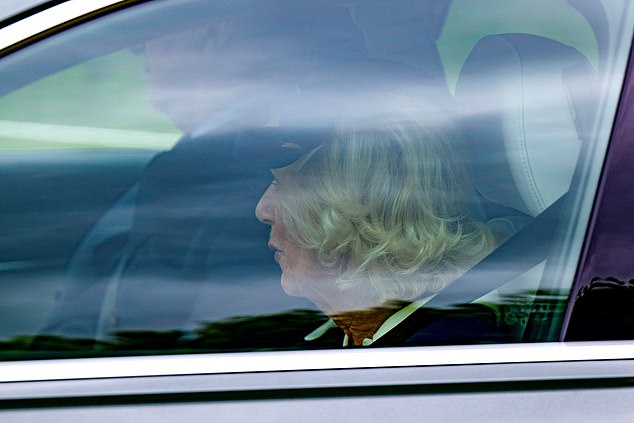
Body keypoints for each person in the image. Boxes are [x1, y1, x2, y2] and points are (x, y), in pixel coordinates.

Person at [256, 107, 509, 347]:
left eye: (280, 185)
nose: (262, 210)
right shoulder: (346, 339)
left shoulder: (445, 354)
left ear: (356, 213)